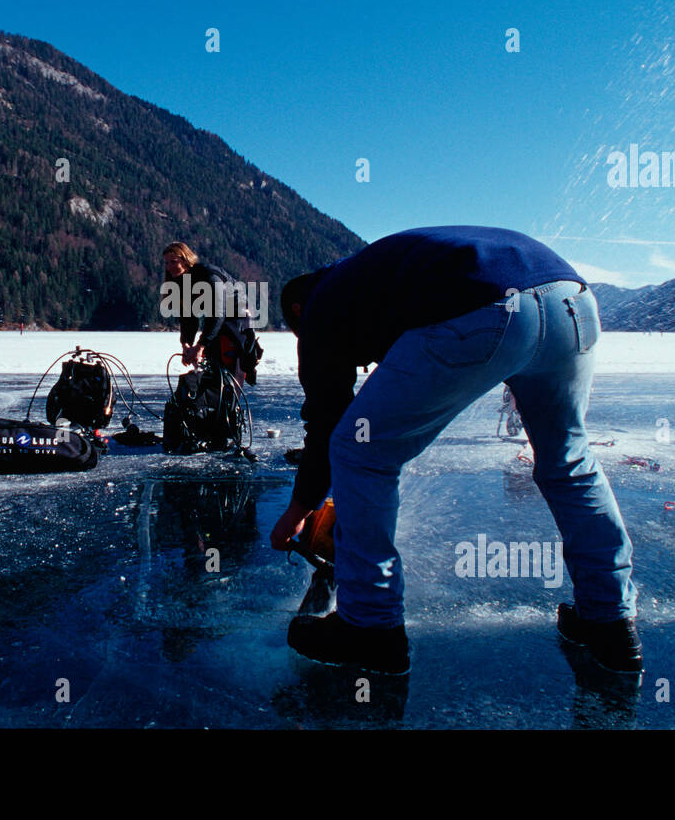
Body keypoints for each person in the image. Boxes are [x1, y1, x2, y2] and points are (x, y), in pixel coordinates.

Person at [269, 226, 640, 676]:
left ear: (295, 309)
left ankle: (370, 627)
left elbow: (330, 420)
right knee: (568, 460)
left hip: (490, 307)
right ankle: (609, 623)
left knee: (359, 449)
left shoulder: (322, 304)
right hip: (572, 302)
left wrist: (299, 508)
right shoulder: (375, 280)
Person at [161, 242, 260, 384]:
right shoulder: (181, 282)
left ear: (185, 259)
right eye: (166, 263)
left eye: (173, 262)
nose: (169, 267)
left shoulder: (208, 276)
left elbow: (217, 314)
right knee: (212, 360)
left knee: (229, 360)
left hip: (237, 314)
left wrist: (200, 346)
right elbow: (188, 317)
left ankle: (232, 401)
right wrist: (187, 344)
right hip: (217, 317)